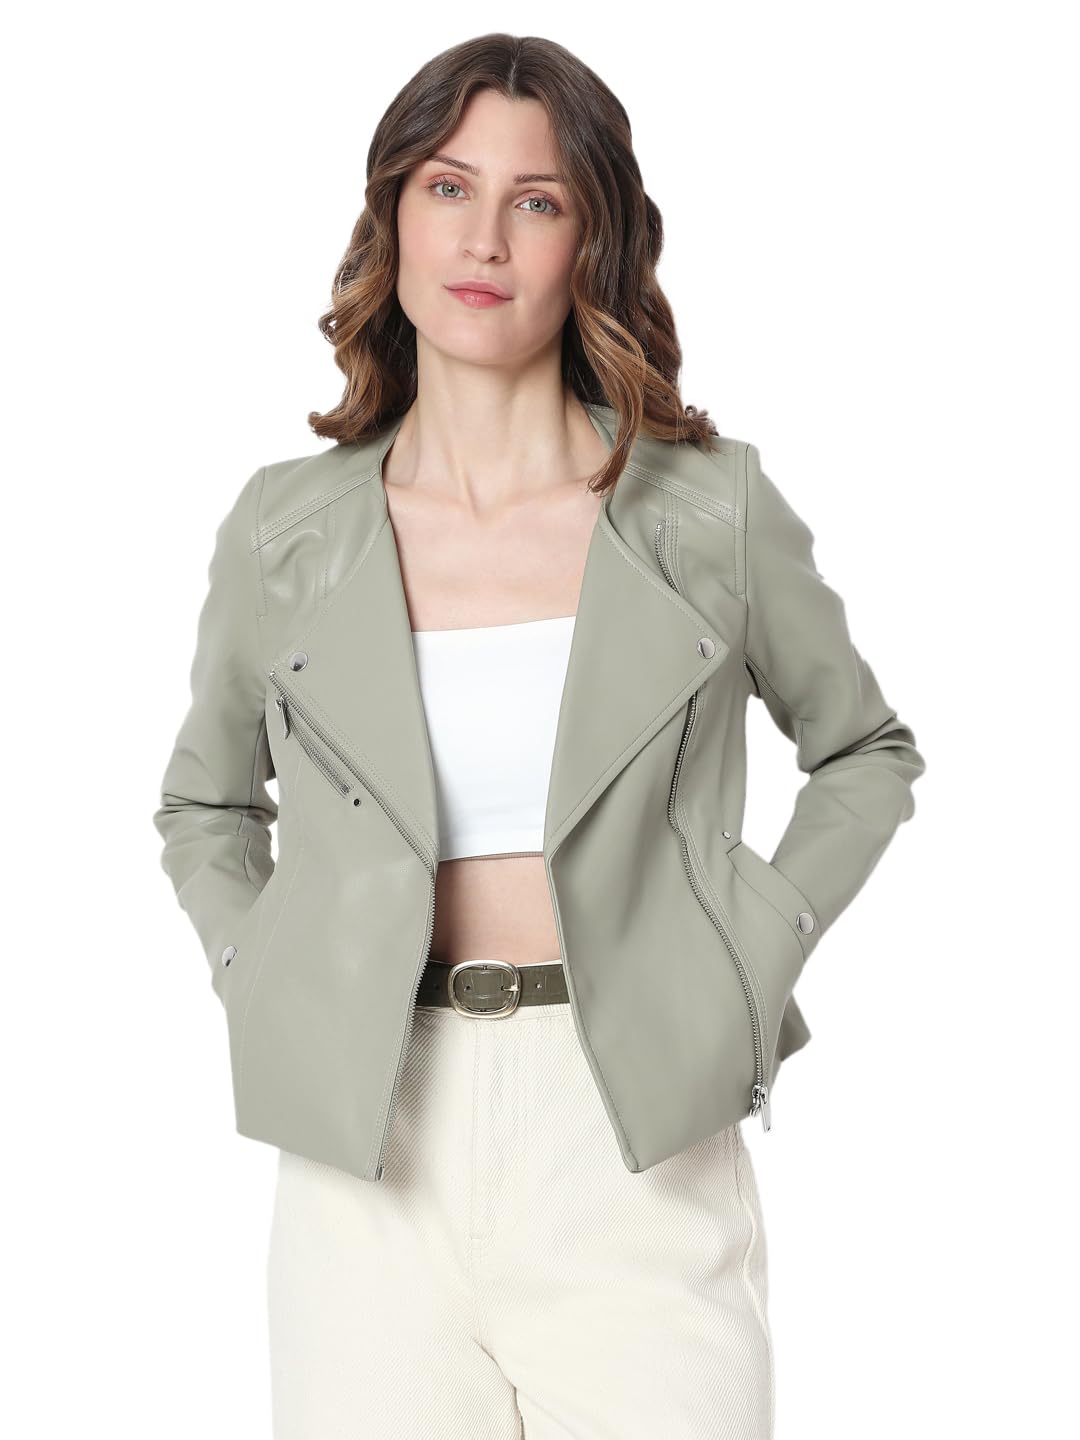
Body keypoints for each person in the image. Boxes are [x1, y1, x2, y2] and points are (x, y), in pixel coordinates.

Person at [152, 33, 926, 1440]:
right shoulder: (286, 530)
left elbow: (864, 750)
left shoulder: (711, 511)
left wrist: (750, 946)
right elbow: (206, 806)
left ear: (593, 240)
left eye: (539, 200)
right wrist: (262, 974)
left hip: (632, 1137)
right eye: (448, 187)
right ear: (393, 216)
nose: (485, 239)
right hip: (366, 1152)